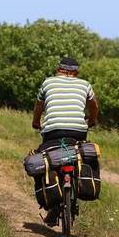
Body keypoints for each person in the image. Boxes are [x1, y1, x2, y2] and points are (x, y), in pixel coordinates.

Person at [31, 57, 99, 225]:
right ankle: (77, 185)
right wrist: (92, 120)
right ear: (75, 72)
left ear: (59, 70)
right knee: (81, 155)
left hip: (52, 132)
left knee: (44, 159)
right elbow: (94, 107)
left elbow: (39, 106)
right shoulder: (85, 85)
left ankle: (53, 202)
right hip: (78, 131)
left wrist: (36, 122)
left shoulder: (48, 83)